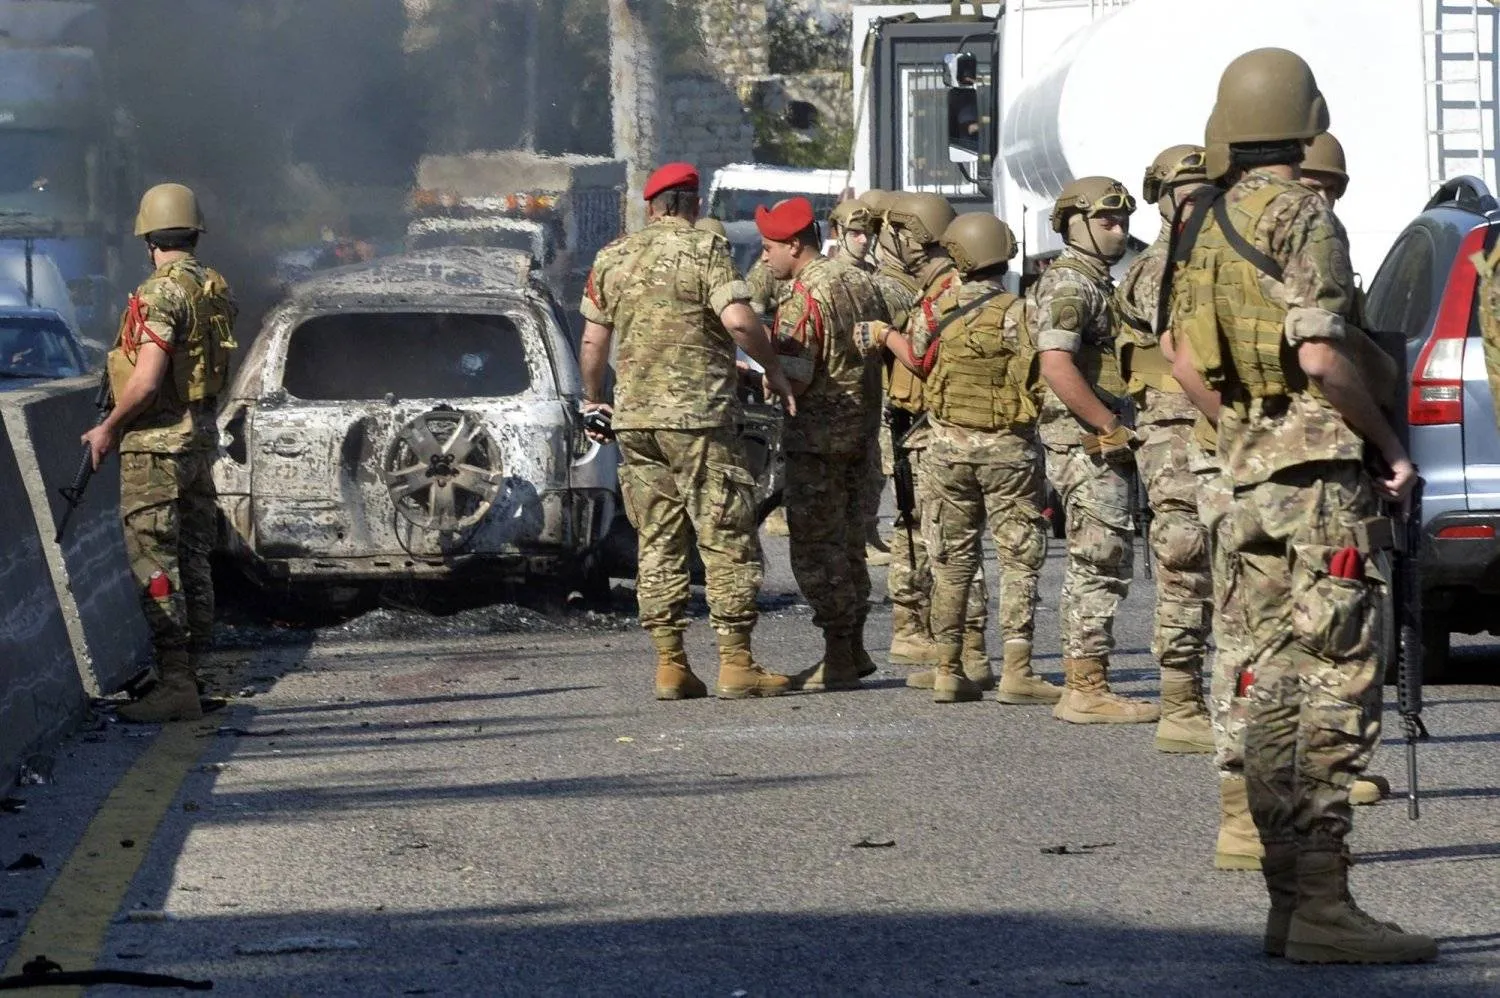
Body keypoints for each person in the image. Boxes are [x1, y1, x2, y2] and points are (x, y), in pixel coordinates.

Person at [1170, 49, 1436, 963]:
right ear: (1304, 116)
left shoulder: (1202, 222)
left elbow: (1178, 351)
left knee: (1270, 681)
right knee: (1334, 682)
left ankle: (1288, 899)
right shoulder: (1305, 215)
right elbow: (1319, 355)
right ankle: (1323, 904)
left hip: (1246, 481)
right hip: (1321, 484)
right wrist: (1389, 445)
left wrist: (1244, 435)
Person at [579, 162, 798, 701]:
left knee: (657, 540)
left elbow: (592, 344)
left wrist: (594, 399)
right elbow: (741, 322)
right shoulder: (704, 251)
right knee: (724, 534)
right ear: (693, 203)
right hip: (698, 418)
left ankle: (671, 664)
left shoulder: (611, 258)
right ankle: (736, 663)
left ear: (651, 206)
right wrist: (772, 368)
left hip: (637, 421)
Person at [869, 212, 1061, 704]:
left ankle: (950, 667)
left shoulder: (933, 311)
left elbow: (915, 360)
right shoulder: (1024, 311)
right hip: (1010, 451)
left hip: (947, 451)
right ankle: (1017, 669)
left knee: (952, 563)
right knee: (1018, 561)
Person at [82, 183, 237, 723]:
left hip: (156, 449)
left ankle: (175, 684)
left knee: (155, 562)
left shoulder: (160, 295)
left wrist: (108, 427)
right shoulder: (211, 286)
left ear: (149, 238)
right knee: (193, 559)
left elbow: (145, 383)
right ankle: (188, 676)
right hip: (196, 443)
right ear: (193, 233)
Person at [1032, 177, 1159, 725]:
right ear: (1074, 224)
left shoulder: (1094, 282)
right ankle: (1085, 686)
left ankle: (1089, 680)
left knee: (1105, 558)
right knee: (1098, 559)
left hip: (1096, 441)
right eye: (1107, 220)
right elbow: (1055, 365)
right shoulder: (1070, 286)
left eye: (1124, 220)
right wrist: (1111, 426)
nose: (1120, 229)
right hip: (1087, 445)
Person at [755, 197, 886, 690]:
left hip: (818, 440)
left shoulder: (802, 297)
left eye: (770, 249)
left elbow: (796, 373)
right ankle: (853, 647)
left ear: (795, 246)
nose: (766, 259)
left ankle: (837, 654)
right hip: (861, 431)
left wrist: (758, 373)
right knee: (850, 541)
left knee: (815, 547)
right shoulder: (860, 281)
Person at [1115, 146, 1217, 751]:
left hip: (1215, 423)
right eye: (1188, 190)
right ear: (1163, 198)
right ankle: (1181, 699)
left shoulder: (1212, 256)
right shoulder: (1159, 268)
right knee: (1183, 556)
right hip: (1175, 429)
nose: (1200, 199)